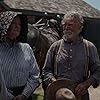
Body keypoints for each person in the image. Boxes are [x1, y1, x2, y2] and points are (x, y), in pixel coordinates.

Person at [42, 11, 100, 100]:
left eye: (70, 25)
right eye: (64, 25)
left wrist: (86, 84)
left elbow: (97, 71)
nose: (66, 28)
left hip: (80, 95)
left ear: (80, 27)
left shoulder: (89, 47)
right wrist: (54, 83)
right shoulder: (55, 46)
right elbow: (46, 70)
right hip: (57, 96)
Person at [0, 11, 40, 100]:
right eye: (13, 23)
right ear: (4, 25)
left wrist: (24, 94)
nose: (17, 27)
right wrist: (9, 97)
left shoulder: (26, 48)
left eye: (20, 24)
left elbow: (34, 75)